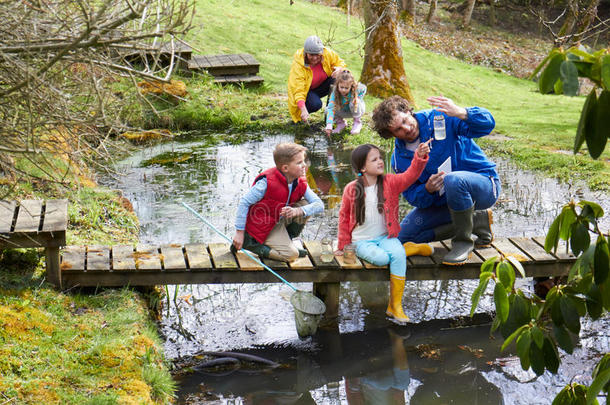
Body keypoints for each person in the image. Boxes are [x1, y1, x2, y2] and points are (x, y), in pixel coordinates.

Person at [371, 95, 500, 266]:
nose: (406, 128)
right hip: (446, 203)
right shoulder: (399, 160)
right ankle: (476, 221)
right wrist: (427, 189)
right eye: (398, 129)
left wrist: (462, 113)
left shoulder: (441, 118)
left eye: (404, 120)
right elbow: (413, 198)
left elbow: (488, 125)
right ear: (391, 134)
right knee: (402, 239)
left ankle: (462, 243)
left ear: (409, 111)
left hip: (484, 185)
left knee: (453, 180)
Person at [335, 142, 430, 324]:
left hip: (385, 237)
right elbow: (344, 218)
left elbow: (410, 175)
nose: (380, 162)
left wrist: (419, 157)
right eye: (374, 159)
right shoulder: (351, 189)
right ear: (362, 167)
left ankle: (395, 306)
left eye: (380, 158)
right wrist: (343, 245)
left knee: (397, 256)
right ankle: (407, 249)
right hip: (362, 241)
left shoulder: (390, 182)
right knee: (382, 259)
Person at [232, 143, 324, 262]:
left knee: (305, 204)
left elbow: (319, 205)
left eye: (303, 161)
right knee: (291, 255)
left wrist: (297, 210)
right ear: (285, 168)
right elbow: (244, 202)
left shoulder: (299, 182)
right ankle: (250, 243)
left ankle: (287, 240)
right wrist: (239, 232)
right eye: (299, 163)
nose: (304, 165)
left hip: (278, 219)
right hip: (263, 225)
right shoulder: (266, 183)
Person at [287, 35, 347, 123]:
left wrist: (340, 69)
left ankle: (330, 116)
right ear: (306, 53)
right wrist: (303, 109)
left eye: (317, 54)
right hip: (306, 91)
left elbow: (340, 62)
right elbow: (298, 90)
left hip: (321, 86)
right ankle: (302, 114)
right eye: (311, 55)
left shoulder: (327, 54)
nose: (315, 58)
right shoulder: (299, 65)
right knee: (316, 104)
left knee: (339, 77)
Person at [325, 70, 367, 136]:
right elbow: (331, 108)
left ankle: (357, 122)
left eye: (346, 88)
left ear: (351, 86)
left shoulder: (356, 88)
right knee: (327, 110)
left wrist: (358, 98)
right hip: (344, 111)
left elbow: (364, 88)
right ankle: (341, 123)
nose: (343, 90)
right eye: (341, 87)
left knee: (353, 102)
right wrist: (329, 125)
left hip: (356, 110)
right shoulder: (335, 93)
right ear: (338, 85)